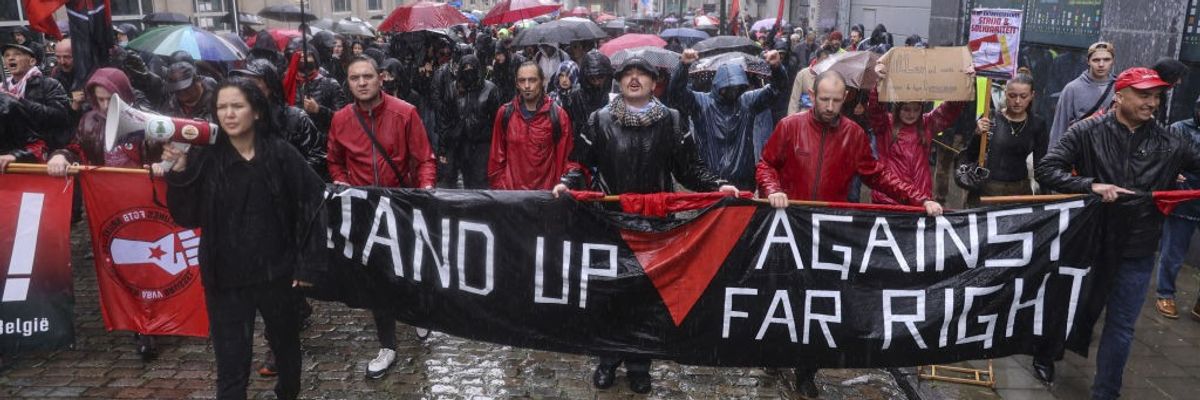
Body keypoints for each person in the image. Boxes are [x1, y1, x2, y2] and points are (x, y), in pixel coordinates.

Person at [552, 57, 739, 394]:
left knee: (645, 299)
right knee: (611, 297)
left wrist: (716, 185)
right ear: (618, 82)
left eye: (642, 74)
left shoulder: (672, 121)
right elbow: (580, 163)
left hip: (655, 226)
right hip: (612, 223)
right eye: (627, 74)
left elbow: (689, 169)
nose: (634, 79)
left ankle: (640, 363)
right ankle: (608, 360)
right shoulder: (599, 120)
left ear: (655, 83)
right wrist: (568, 182)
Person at [756, 71, 944, 398]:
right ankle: (775, 352)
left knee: (820, 299)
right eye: (823, 99)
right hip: (790, 228)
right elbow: (766, 164)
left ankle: (806, 369)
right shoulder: (789, 127)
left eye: (835, 100)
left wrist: (919, 199)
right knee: (784, 292)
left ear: (845, 99)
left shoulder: (854, 135)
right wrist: (772, 188)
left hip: (830, 230)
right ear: (812, 96)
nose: (829, 106)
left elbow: (878, 175)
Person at [1035, 67, 1200, 400]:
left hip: (1137, 248)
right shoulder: (1086, 131)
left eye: (1156, 96)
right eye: (1143, 94)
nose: (1151, 102)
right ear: (1119, 95)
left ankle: (1106, 393)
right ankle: (1045, 356)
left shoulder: (1171, 141)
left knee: (1121, 327)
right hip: (1088, 242)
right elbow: (1046, 168)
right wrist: (1090, 185)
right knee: (1070, 308)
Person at [161, 77, 324, 400]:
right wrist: (178, 173)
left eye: (237, 106)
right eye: (221, 108)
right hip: (225, 279)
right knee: (231, 365)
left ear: (257, 112)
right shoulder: (205, 159)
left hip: (277, 275)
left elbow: (314, 205)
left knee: (286, 352)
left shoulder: (281, 155)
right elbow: (186, 217)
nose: (229, 114)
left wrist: (307, 266)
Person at [327, 56, 436, 379]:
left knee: (408, 268)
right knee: (377, 277)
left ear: (381, 78)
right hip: (364, 209)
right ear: (348, 82)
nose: (361, 83)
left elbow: (424, 158)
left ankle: (417, 313)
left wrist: (426, 190)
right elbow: (333, 160)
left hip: (402, 206)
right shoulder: (340, 120)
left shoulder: (405, 112)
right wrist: (342, 181)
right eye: (354, 78)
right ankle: (387, 345)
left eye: (367, 76)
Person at [670, 48, 787, 190]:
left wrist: (777, 67)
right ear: (718, 85)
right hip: (711, 182)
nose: (733, 91)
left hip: (742, 182)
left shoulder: (747, 102)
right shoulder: (701, 103)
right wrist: (683, 66)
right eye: (728, 87)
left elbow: (777, 89)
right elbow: (677, 93)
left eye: (737, 87)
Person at [866, 56, 969, 205]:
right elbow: (874, 110)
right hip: (888, 199)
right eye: (906, 109)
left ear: (921, 109)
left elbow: (949, 110)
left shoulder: (927, 124)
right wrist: (878, 86)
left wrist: (961, 82)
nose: (911, 114)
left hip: (920, 199)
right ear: (897, 108)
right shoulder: (885, 124)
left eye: (916, 109)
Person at [488, 61, 580, 190]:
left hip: (546, 197)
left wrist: (564, 184)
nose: (527, 86)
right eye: (522, 81)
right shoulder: (505, 114)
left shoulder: (558, 115)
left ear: (542, 81)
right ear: (516, 83)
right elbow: (497, 159)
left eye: (532, 80)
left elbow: (567, 157)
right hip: (512, 196)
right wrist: (502, 190)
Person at [961, 72, 1049, 207]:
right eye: (1013, 96)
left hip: (1019, 192)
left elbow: (1041, 166)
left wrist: (1046, 199)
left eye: (1023, 96)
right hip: (987, 191)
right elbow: (970, 155)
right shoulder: (989, 118)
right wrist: (977, 134)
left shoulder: (1037, 124)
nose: (1018, 101)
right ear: (1005, 93)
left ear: (1032, 95)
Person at [1154, 94, 1200, 321]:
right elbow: (1162, 158)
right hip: (1183, 199)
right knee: (1173, 251)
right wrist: (1172, 174)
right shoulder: (1179, 129)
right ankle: (1165, 293)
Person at [434, 54, 501, 189]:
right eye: (465, 68)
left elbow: (496, 120)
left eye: (472, 68)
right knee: (456, 180)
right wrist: (443, 148)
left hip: (482, 144)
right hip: (459, 142)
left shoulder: (490, 89)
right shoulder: (453, 88)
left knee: (479, 182)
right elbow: (445, 119)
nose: (468, 71)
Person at [2, 42, 72, 150]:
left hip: (43, 149)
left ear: (32, 61)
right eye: (7, 55)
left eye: (17, 54)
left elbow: (61, 117)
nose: (11, 58)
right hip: (11, 152)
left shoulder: (48, 84)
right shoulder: (2, 89)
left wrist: (21, 102)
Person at [1048, 41, 1115, 146]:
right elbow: (1059, 128)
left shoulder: (1120, 88)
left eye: (1106, 60)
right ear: (1088, 61)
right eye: (1096, 60)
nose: (1101, 64)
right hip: (1080, 150)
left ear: (1112, 61)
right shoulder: (1072, 89)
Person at [297, 45, 347, 137]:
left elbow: (343, 118)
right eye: (300, 55)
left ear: (315, 59)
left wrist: (319, 110)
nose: (303, 58)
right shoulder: (292, 84)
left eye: (307, 55)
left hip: (324, 141)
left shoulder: (330, 84)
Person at [788, 49, 831, 115]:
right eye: (823, 60)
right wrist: (791, 117)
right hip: (805, 112)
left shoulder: (830, 75)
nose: (826, 63)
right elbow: (794, 99)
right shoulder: (803, 74)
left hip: (823, 114)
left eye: (828, 61)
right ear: (817, 59)